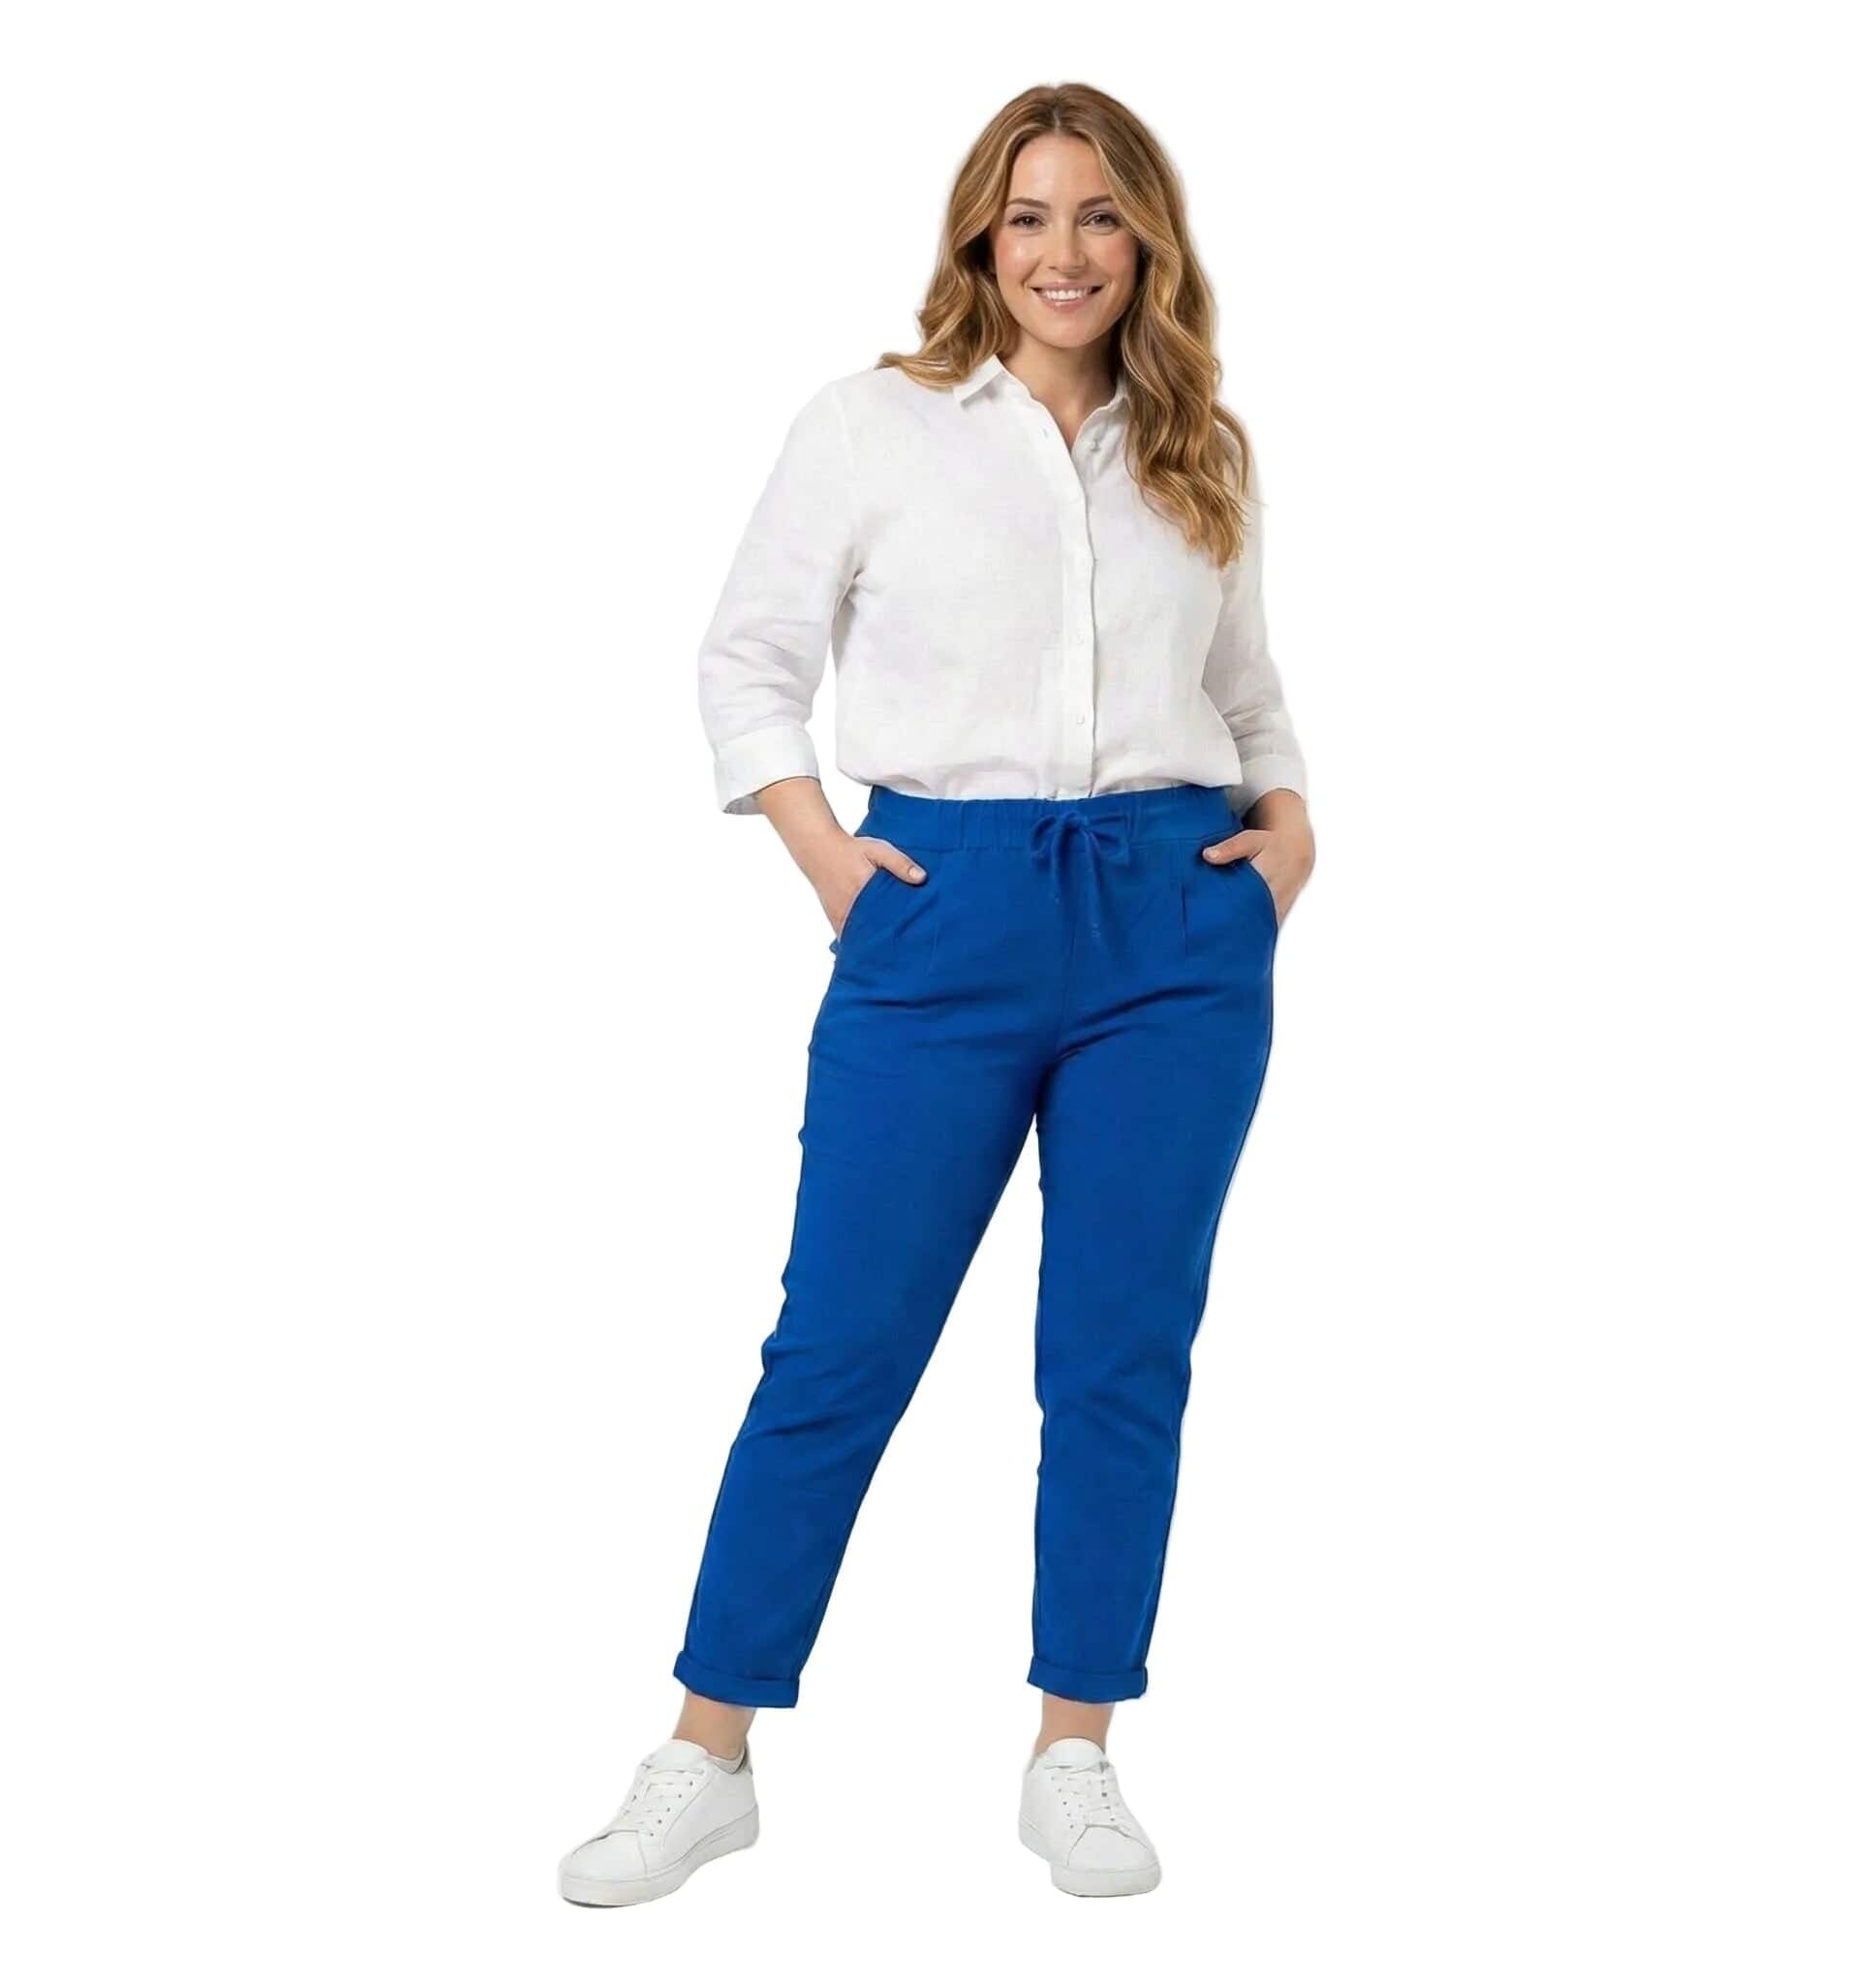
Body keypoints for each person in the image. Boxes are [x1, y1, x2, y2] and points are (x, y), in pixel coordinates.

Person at [559, 80, 1313, 1906]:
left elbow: (1245, 683)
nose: (1066, 252)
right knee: (839, 1345)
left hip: (1174, 925)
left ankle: (1077, 1752)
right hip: (940, 915)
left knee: (1119, 1355)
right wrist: (827, 855)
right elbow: (746, 663)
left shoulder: (1198, 441)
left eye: (1103, 215)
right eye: (1031, 215)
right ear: (982, 236)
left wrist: (1288, 834)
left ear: (1149, 241)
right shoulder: (871, 425)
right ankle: (706, 1752)